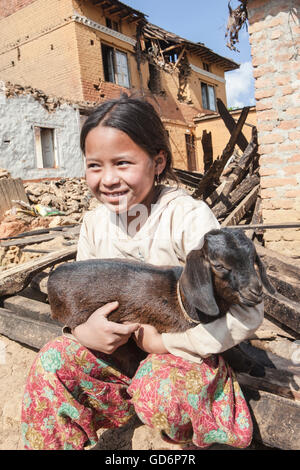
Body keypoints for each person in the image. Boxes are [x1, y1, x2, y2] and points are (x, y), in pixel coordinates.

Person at [21, 94, 263, 450]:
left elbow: (247, 311)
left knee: (159, 388)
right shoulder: (94, 224)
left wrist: (164, 343)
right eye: (94, 166)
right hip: (120, 359)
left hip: (183, 360)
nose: (108, 179)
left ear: (157, 161)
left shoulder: (186, 218)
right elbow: (82, 297)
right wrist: (82, 330)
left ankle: (203, 434)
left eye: (122, 163)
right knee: (51, 364)